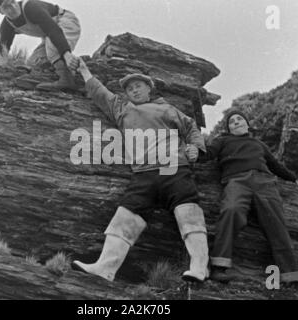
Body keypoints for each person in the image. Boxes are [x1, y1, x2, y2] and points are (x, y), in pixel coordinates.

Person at [71, 58, 210, 283]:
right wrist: (84, 71)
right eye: (129, 88)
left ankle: (200, 268)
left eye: (138, 86)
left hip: (173, 168)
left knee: (188, 212)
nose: (134, 90)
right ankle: (105, 269)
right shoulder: (122, 109)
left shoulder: (167, 109)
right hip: (143, 173)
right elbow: (99, 92)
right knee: (126, 214)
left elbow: (191, 127)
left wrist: (195, 147)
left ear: (149, 89)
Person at [201, 110, 298, 284]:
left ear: (247, 124)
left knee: (276, 224)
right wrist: (193, 154)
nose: (235, 122)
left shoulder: (259, 144)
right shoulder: (222, 141)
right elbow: (209, 153)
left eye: (239, 119)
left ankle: (291, 276)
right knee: (231, 210)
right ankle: (219, 267)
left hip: (264, 182)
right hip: (237, 181)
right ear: (228, 128)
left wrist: (294, 180)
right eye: (231, 121)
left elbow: (275, 165)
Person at [0, 0, 81, 90]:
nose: (13, 7)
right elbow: (2, 48)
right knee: (33, 63)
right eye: (7, 6)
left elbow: (53, 30)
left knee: (53, 48)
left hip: (64, 21)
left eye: (13, 2)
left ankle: (67, 80)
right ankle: (51, 78)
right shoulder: (7, 26)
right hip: (49, 35)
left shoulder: (30, 8)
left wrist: (66, 53)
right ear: (0, 11)